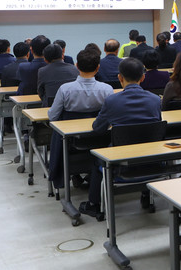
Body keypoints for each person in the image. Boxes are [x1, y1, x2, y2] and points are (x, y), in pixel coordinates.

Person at [79, 57, 161, 218]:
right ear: (143, 77)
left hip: (120, 164)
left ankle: (94, 204)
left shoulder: (112, 101)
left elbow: (98, 128)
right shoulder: (155, 100)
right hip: (151, 161)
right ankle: (146, 195)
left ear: (120, 77)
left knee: (97, 157)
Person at [46, 49, 114, 191]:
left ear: (76, 66)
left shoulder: (65, 89)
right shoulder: (107, 90)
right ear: (98, 68)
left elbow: (53, 116)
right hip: (99, 138)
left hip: (71, 141)